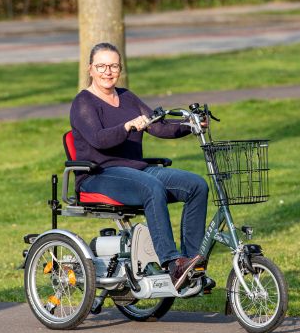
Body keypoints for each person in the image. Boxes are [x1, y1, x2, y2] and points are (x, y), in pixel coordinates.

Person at [70, 42, 210, 290]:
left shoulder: (127, 97)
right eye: (101, 66)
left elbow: (158, 127)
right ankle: (171, 262)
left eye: (113, 66)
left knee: (196, 185)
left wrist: (191, 126)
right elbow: (98, 139)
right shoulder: (83, 102)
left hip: (135, 171)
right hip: (99, 173)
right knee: (151, 187)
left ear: (120, 68)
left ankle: (190, 263)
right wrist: (127, 127)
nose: (107, 71)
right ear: (90, 69)